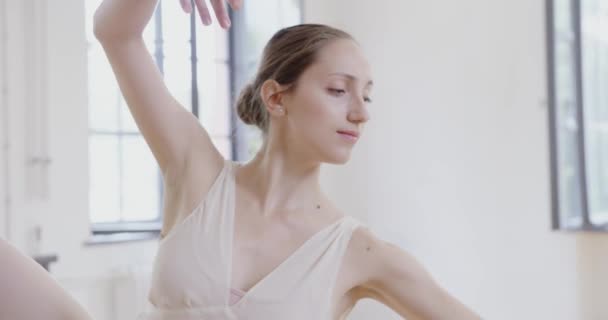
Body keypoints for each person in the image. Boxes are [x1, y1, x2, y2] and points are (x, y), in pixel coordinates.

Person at [0, 1, 482, 319]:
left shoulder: (361, 252)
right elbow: (115, 32)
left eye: (367, 97)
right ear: (276, 97)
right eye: (338, 90)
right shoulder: (197, 171)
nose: (359, 112)